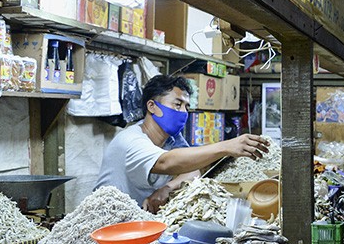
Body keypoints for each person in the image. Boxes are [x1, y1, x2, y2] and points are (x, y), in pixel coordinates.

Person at [95, 74, 268, 213]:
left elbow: (192, 169)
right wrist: (225, 147)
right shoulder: (131, 139)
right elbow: (166, 162)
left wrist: (167, 188)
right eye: (177, 105)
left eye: (186, 107)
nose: (183, 112)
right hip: (109, 219)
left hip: (140, 219)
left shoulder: (172, 138)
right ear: (152, 106)